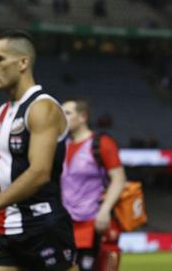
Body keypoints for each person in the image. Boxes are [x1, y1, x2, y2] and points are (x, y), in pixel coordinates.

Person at [0, 30, 77, 271]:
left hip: (44, 224)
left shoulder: (42, 108)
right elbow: (9, 177)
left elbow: (39, 173)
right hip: (7, 226)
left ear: (23, 62)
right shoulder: (1, 114)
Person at [61, 99, 126, 271]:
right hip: (65, 224)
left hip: (92, 223)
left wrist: (105, 210)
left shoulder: (101, 144)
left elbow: (119, 179)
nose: (62, 117)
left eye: (67, 113)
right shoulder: (60, 147)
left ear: (82, 117)